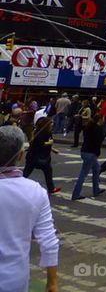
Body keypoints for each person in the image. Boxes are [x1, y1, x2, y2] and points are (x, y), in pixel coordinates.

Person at [0, 125, 60, 292]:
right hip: (14, 280)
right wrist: (52, 282)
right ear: (20, 155)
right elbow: (49, 240)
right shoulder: (35, 191)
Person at [71, 112, 105, 201]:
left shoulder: (88, 127)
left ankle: (96, 189)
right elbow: (99, 141)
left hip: (85, 151)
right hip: (91, 153)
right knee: (83, 174)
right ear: (100, 119)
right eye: (103, 119)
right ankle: (76, 194)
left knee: (97, 168)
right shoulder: (97, 129)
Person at [23, 116, 61, 195]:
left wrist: (53, 150)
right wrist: (49, 143)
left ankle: (51, 188)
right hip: (37, 156)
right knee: (28, 172)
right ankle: (51, 188)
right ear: (47, 124)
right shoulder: (43, 132)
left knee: (46, 172)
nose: (53, 124)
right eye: (51, 123)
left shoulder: (44, 131)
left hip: (38, 156)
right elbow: (39, 144)